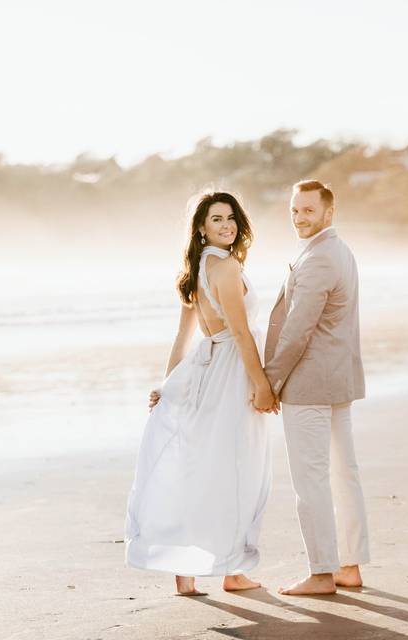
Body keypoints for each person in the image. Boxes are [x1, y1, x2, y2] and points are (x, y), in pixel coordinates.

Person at [124, 191, 277, 596]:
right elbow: (241, 332)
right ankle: (232, 570)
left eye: (231, 218)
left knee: (198, 467)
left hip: (202, 370)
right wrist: (261, 384)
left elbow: (183, 335)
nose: (226, 225)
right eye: (216, 220)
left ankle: (186, 571)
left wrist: (169, 382)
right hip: (230, 372)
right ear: (201, 227)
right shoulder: (224, 267)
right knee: (237, 468)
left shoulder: (196, 267)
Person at [263, 179, 370, 596]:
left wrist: (270, 381)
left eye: (308, 210)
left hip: (309, 385)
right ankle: (349, 565)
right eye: (294, 210)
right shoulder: (339, 251)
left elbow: (297, 331)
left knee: (311, 480)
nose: (299, 218)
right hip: (337, 380)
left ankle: (322, 573)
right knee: (344, 474)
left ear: (329, 212)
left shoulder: (321, 258)